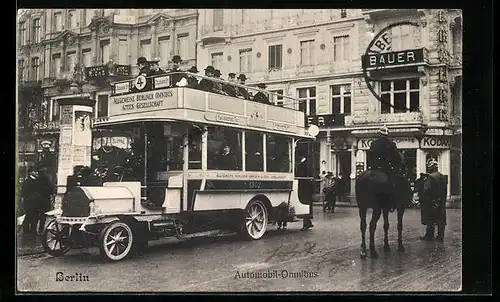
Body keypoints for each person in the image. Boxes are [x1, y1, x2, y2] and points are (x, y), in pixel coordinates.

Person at [420, 159, 448, 242]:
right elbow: (445, 190)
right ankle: (440, 236)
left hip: (432, 201)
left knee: (430, 219)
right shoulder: (443, 176)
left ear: (431, 168)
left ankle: (429, 235)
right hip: (441, 201)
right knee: (441, 219)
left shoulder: (430, 177)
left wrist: (424, 200)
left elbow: (427, 190)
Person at [21, 168, 41, 235]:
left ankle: (31, 230)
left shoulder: (31, 181)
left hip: (32, 201)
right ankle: (28, 230)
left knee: (32, 216)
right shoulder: (30, 181)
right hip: (31, 201)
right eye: (34, 171)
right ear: (30, 172)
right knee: (30, 216)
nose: (36, 173)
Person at [296, 156, 314, 231]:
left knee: (305, 205)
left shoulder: (303, 166)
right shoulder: (308, 165)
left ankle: (306, 224)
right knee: (307, 205)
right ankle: (308, 222)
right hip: (307, 189)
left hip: (304, 189)